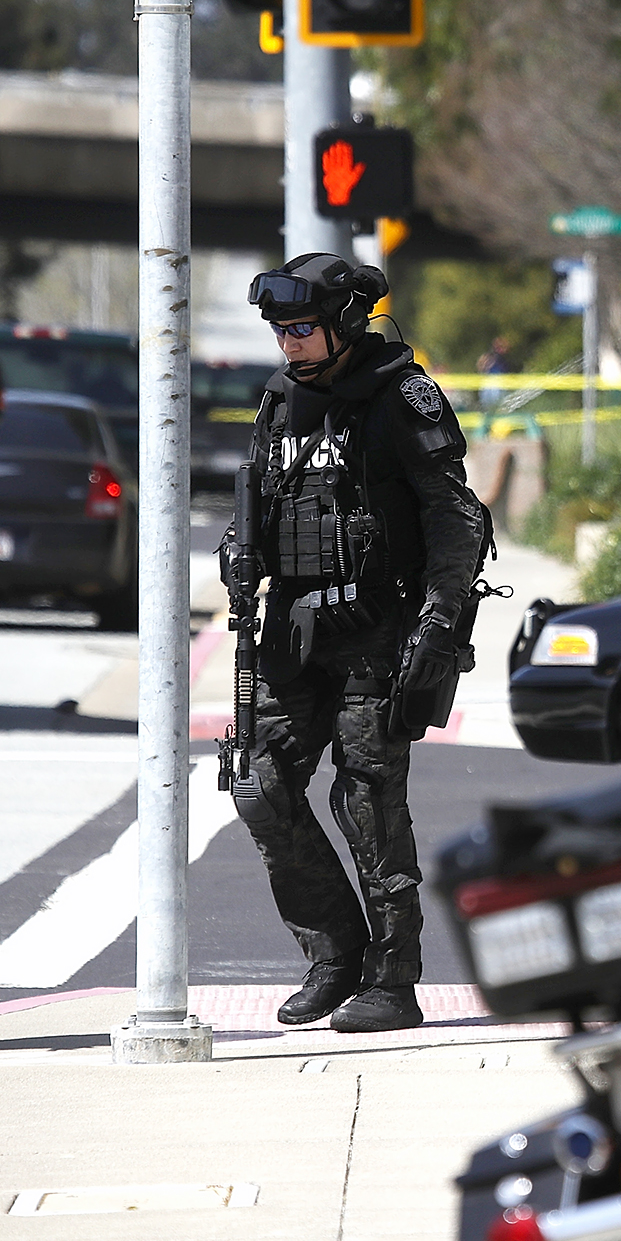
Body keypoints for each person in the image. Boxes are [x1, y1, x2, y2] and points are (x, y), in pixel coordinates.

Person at [226, 253, 489, 1033]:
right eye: (279, 330)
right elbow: (264, 507)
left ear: (344, 322)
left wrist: (439, 623)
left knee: (368, 800)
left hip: (379, 629)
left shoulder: (401, 397)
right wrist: (237, 558)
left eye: (302, 327)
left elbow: (455, 518)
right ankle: (334, 954)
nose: (289, 343)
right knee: (259, 786)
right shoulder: (279, 402)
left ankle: (393, 977)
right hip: (292, 631)